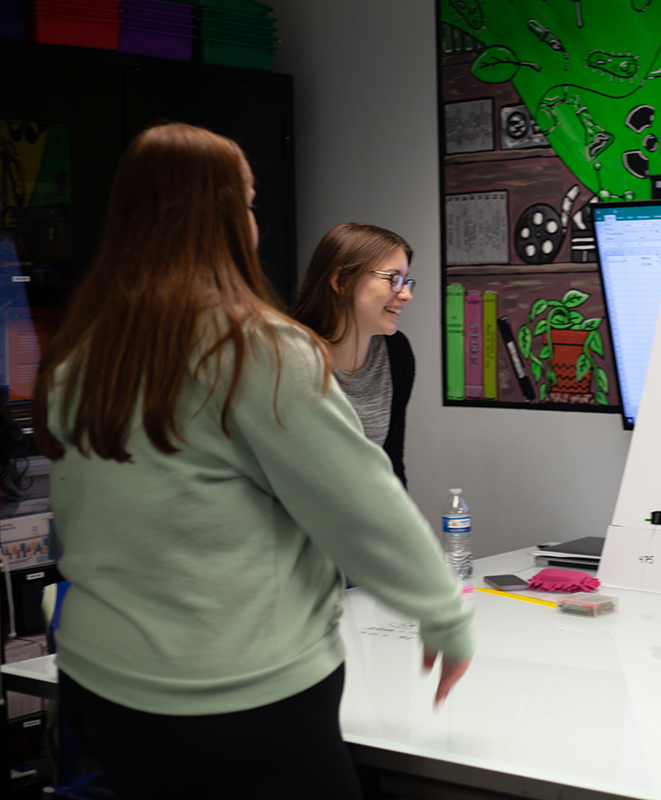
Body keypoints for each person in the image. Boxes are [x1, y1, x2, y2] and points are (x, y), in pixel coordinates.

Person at [32, 123, 472, 800]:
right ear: (220, 221)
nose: (254, 220)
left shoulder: (83, 351)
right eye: (247, 201)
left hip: (102, 685)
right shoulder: (259, 351)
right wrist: (444, 612)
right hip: (233, 694)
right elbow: (362, 506)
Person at [291, 223, 415, 486]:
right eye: (393, 279)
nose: (406, 295)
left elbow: (390, 466)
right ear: (342, 281)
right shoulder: (286, 356)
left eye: (406, 281)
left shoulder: (396, 354)